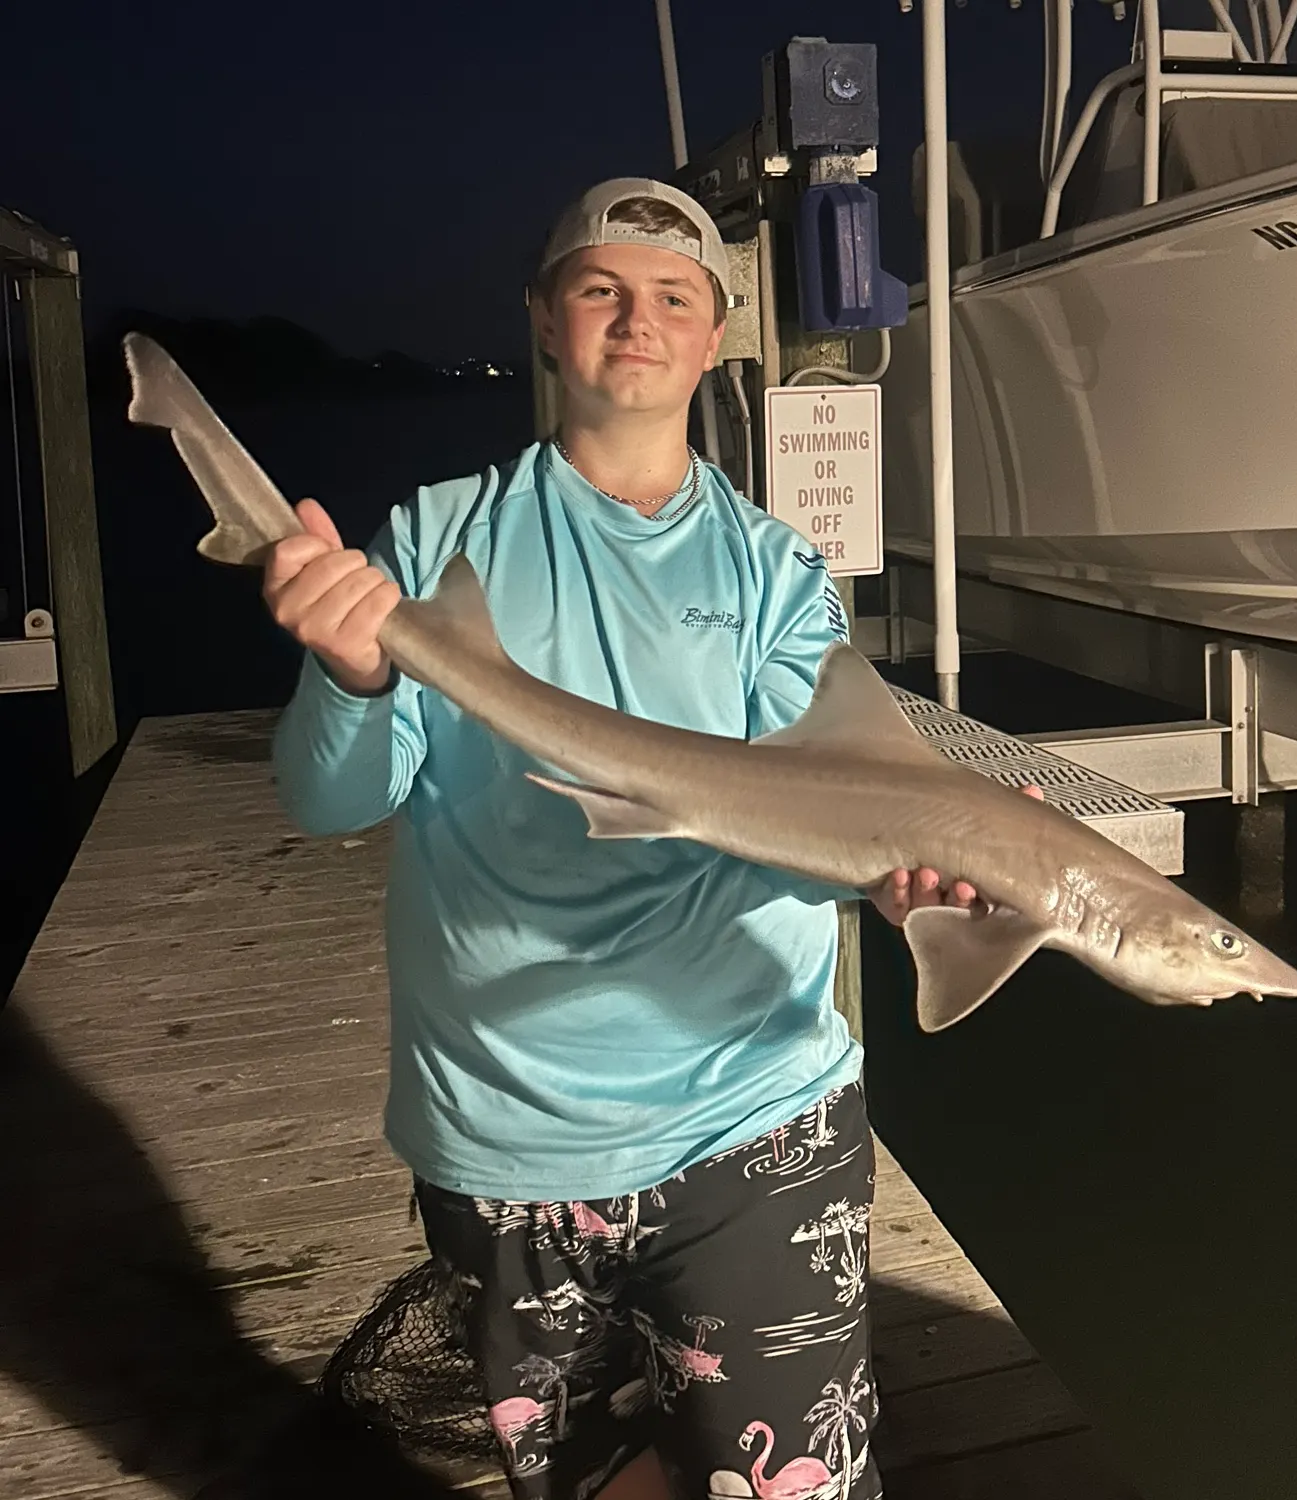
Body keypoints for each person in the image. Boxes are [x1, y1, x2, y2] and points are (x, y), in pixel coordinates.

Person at [262, 178, 988, 1500]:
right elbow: (330, 801)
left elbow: (803, 815)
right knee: (592, 1479)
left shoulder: (775, 572)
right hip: (505, 1128)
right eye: (600, 288)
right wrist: (354, 679)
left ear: (714, 338)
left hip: (756, 1114)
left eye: (672, 298)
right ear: (547, 320)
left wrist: (906, 868)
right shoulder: (437, 540)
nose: (635, 321)